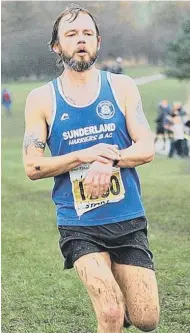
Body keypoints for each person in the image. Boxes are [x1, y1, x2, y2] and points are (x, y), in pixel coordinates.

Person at [23, 4, 160, 333]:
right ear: (57, 46)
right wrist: (84, 155)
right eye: (71, 34)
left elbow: (147, 147)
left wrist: (109, 159)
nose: (80, 40)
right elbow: (33, 165)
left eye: (87, 33)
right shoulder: (41, 99)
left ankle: (116, 282)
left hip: (126, 219)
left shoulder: (122, 87)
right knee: (111, 312)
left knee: (146, 319)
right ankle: (107, 290)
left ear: (97, 42)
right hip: (78, 222)